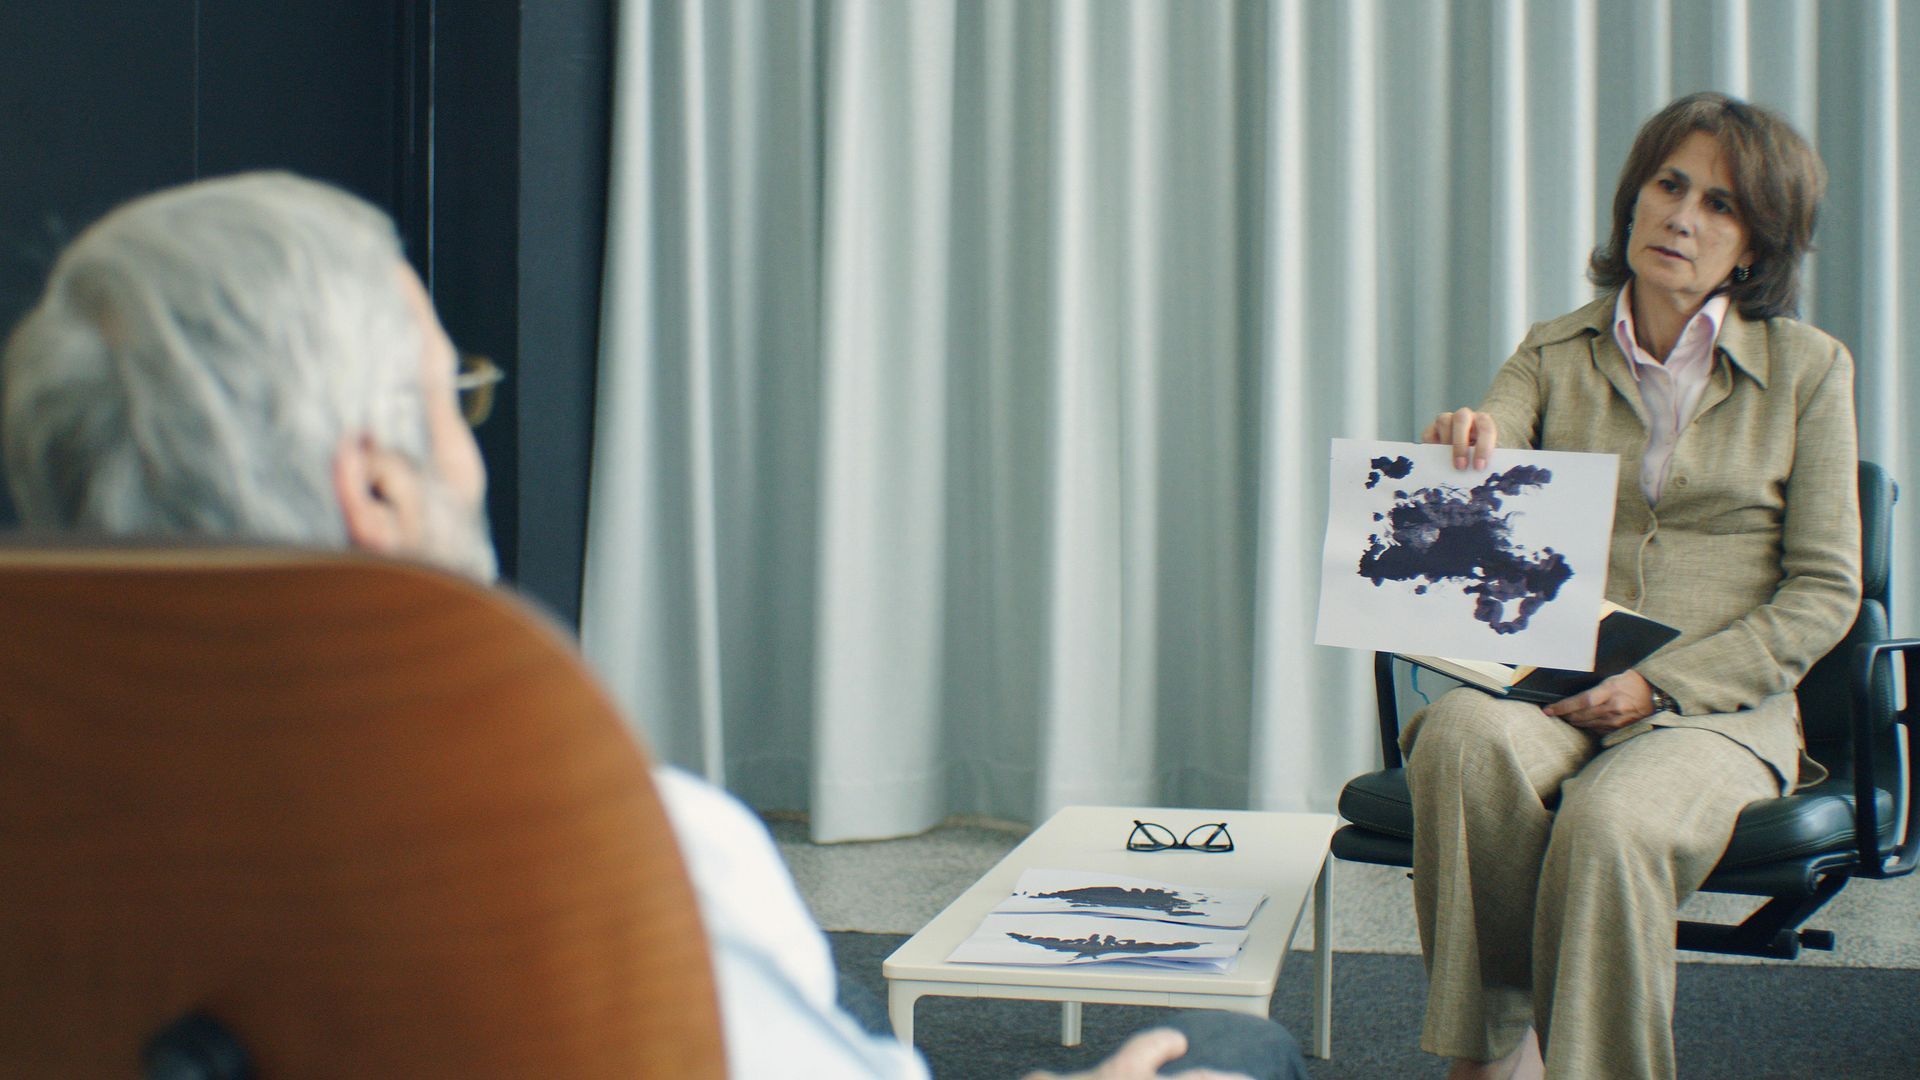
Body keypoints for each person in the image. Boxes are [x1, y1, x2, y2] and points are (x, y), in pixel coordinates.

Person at [0, 172, 1307, 1080]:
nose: (473, 440)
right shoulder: (610, 847)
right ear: (379, 486)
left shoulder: (54, 835)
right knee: (1237, 1050)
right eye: (457, 392)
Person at [1405, 93, 1860, 1080]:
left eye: (1723, 205)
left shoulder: (1810, 372)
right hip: (1556, 683)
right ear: (1635, 199)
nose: (1684, 216)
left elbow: (1826, 592)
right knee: (1460, 738)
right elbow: (1498, 425)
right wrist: (1467, 444)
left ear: (1752, 247)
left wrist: (1664, 685)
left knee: (1613, 822)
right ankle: (1493, 1053)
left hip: (1713, 711)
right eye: (1670, 184)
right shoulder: (1553, 347)